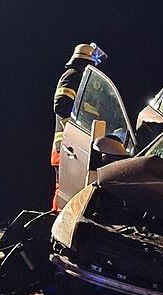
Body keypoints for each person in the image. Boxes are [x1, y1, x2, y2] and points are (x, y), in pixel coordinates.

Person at [50, 43, 107, 211]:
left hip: (78, 147)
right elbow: (61, 105)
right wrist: (74, 134)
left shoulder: (82, 82)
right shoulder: (72, 76)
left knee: (75, 190)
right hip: (68, 147)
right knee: (64, 190)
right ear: (88, 61)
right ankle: (55, 225)